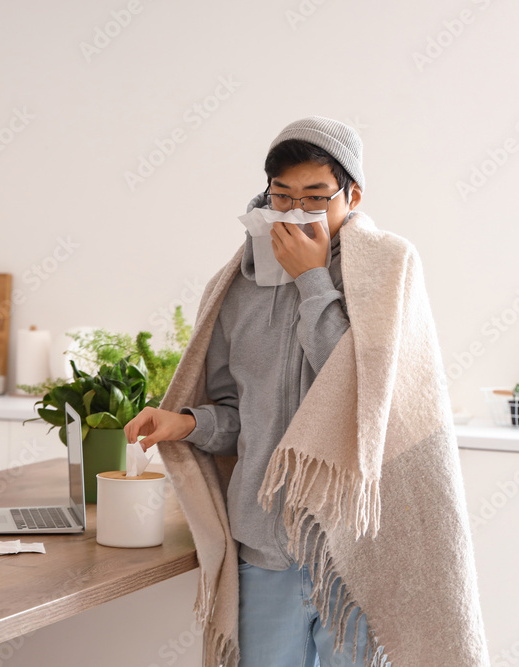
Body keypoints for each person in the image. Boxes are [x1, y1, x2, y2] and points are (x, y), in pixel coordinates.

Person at [125, 116, 371, 666]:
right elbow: (242, 414)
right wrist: (188, 423)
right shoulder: (238, 285)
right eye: (281, 197)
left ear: (352, 196)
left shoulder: (381, 277)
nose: (295, 213)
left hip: (352, 555)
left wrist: (312, 280)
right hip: (263, 550)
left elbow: (359, 395)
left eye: (315, 198)